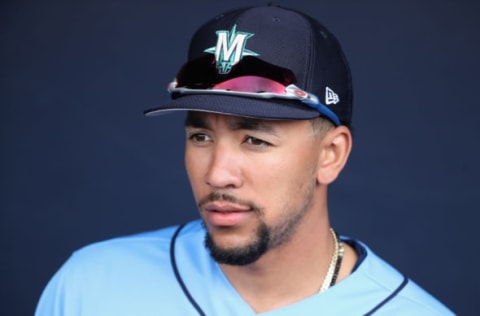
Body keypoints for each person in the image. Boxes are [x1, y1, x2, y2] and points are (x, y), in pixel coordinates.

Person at [35, 5, 454, 315]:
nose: (217, 173)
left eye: (254, 139)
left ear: (331, 154)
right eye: (201, 136)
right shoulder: (91, 286)